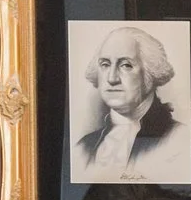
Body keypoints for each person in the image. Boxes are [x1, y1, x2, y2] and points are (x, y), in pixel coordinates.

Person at [73, 26, 181, 180]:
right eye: (105, 64)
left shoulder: (177, 140)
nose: (112, 78)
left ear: (150, 73)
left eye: (126, 65)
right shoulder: (84, 146)